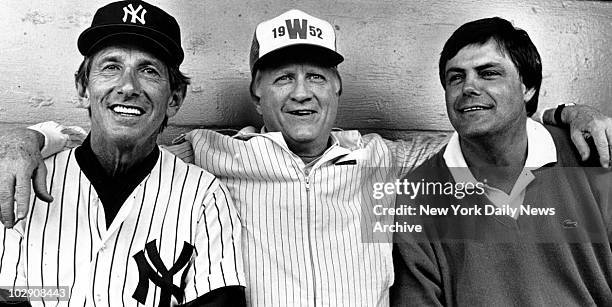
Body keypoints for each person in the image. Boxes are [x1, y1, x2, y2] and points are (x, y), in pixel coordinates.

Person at [0, 8, 611, 307]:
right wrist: (28, 139)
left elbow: (485, 129)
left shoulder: (393, 162)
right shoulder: (209, 155)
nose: (302, 92)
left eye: (317, 76)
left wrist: (566, 114)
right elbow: (122, 132)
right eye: (283, 76)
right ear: (257, 92)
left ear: (338, 90)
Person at [0, 1, 245, 306]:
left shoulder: (204, 194)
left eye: (149, 70)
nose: (128, 86)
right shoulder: (22, 176)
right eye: (111, 67)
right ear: (83, 90)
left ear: (174, 98)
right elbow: (9, 297)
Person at [391, 17, 612, 306]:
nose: (468, 87)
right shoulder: (416, 197)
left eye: (488, 73)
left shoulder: (591, 156)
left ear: (527, 87)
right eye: (455, 77)